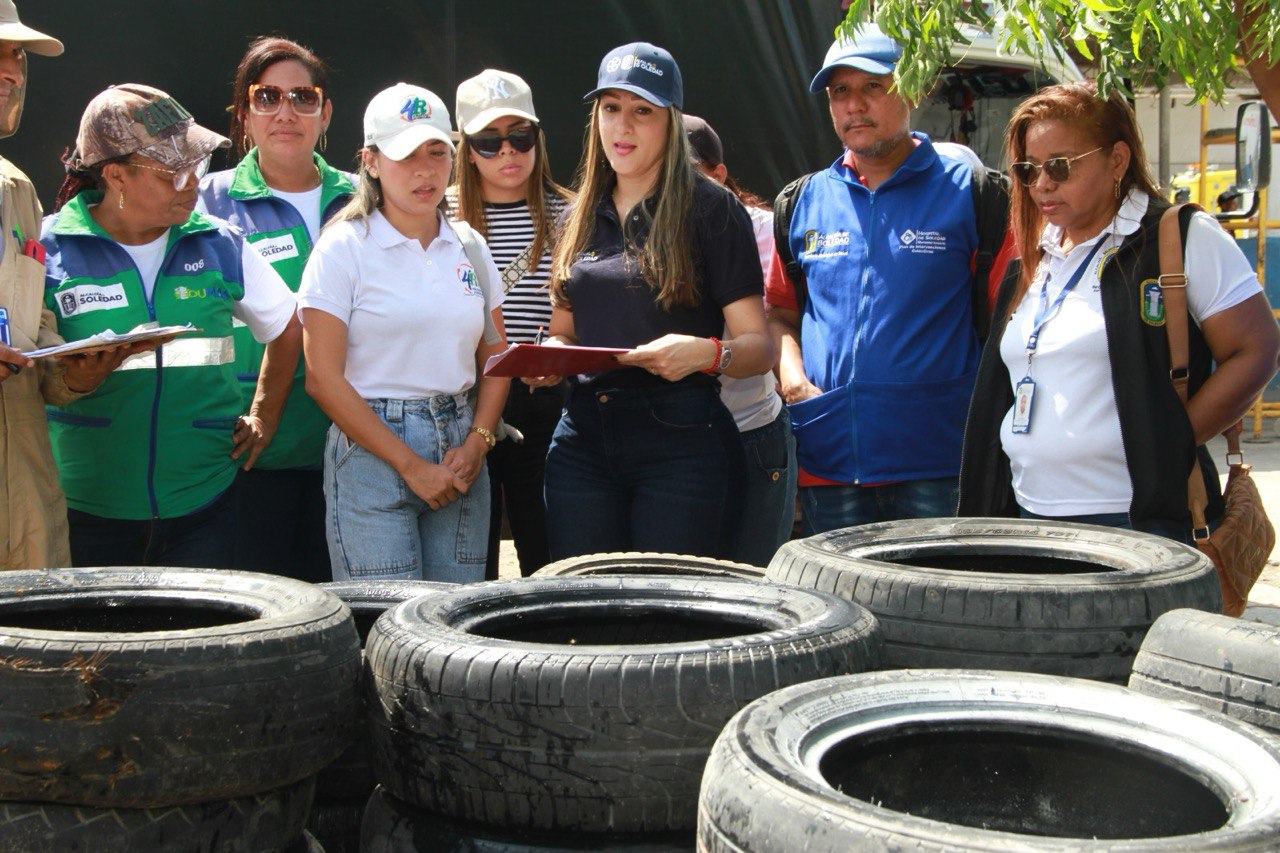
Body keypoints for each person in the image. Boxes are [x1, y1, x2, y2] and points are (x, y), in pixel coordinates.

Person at [958, 81, 1280, 539]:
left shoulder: (1181, 238)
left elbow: (1258, 350)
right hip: (1030, 513)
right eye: (1029, 170)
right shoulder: (1035, 255)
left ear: (1117, 160)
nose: (1043, 184)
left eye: (1060, 166)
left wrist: (1170, 440)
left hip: (1139, 519)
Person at [44, 83, 302, 568]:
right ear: (115, 175)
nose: (193, 184)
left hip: (206, 508)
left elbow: (288, 326)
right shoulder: (47, 252)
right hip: (83, 509)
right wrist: (71, 380)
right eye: (173, 171)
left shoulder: (218, 243)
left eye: (197, 167)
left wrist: (264, 416)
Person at [535, 43, 775, 561]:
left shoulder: (713, 210)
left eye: (642, 111)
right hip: (583, 439)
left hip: (682, 440)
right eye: (611, 108)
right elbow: (564, 330)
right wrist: (549, 357)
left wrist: (707, 353)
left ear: (669, 119)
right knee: (585, 613)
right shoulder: (574, 215)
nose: (623, 126)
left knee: (668, 619)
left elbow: (758, 349)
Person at [767, 24, 1009, 535]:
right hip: (828, 456)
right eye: (840, 92)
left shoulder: (973, 193)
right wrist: (793, 380)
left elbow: (1011, 323)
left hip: (936, 461)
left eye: (873, 87)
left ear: (913, 91)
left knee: (936, 606)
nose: (854, 105)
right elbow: (782, 315)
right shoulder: (802, 201)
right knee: (842, 608)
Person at [299, 83, 509, 583]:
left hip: (461, 452)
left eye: (438, 152)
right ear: (370, 161)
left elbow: (498, 356)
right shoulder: (342, 248)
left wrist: (479, 440)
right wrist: (410, 464)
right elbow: (322, 379)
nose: (425, 170)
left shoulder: (470, 246)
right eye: (405, 154)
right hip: (372, 453)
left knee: (451, 631)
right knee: (384, 632)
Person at [198, 36, 354, 583]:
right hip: (248, 452)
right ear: (243, 113)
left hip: (359, 449)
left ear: (325, 111)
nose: (285, 112)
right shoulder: (203, 202)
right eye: (267, 97)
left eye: (303, 97)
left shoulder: (368, 199)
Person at [0, 3, 120, 570]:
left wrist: (75, 371)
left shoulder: (17, 190)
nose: (12, 72)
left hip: (23, 498)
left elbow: (30, 327)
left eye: (18, 55)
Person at [448, 69, 571, 578]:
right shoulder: (440, 211)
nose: (508, 153)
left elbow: (573, 313)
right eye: (489, 141)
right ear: (466, 148)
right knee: (469, 564)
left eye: (520, 137)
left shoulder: (569, 212)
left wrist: (559, 352)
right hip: (463, 398)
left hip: (543, 398)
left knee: (548, 554)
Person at [682, 113, 796, 566]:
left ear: (718, 174)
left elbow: (787, 318)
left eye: (686, 171)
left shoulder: (764, 229)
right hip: (676, 436)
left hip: (750, 426)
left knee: (752, 578)